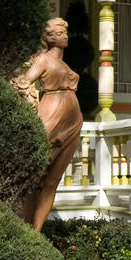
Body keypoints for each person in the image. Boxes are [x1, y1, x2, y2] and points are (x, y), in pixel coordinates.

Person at [14, 17, 84, 231]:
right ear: (50, 37)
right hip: (52, 114)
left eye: (65, 32)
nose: (64, 36)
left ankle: (36, 231)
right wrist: (30, 102)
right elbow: (24, 81)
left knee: (53, 180)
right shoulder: (43, 59)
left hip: (72, 121)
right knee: (34, 172)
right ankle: (21, 225)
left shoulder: (63, 63)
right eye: (60, 33)